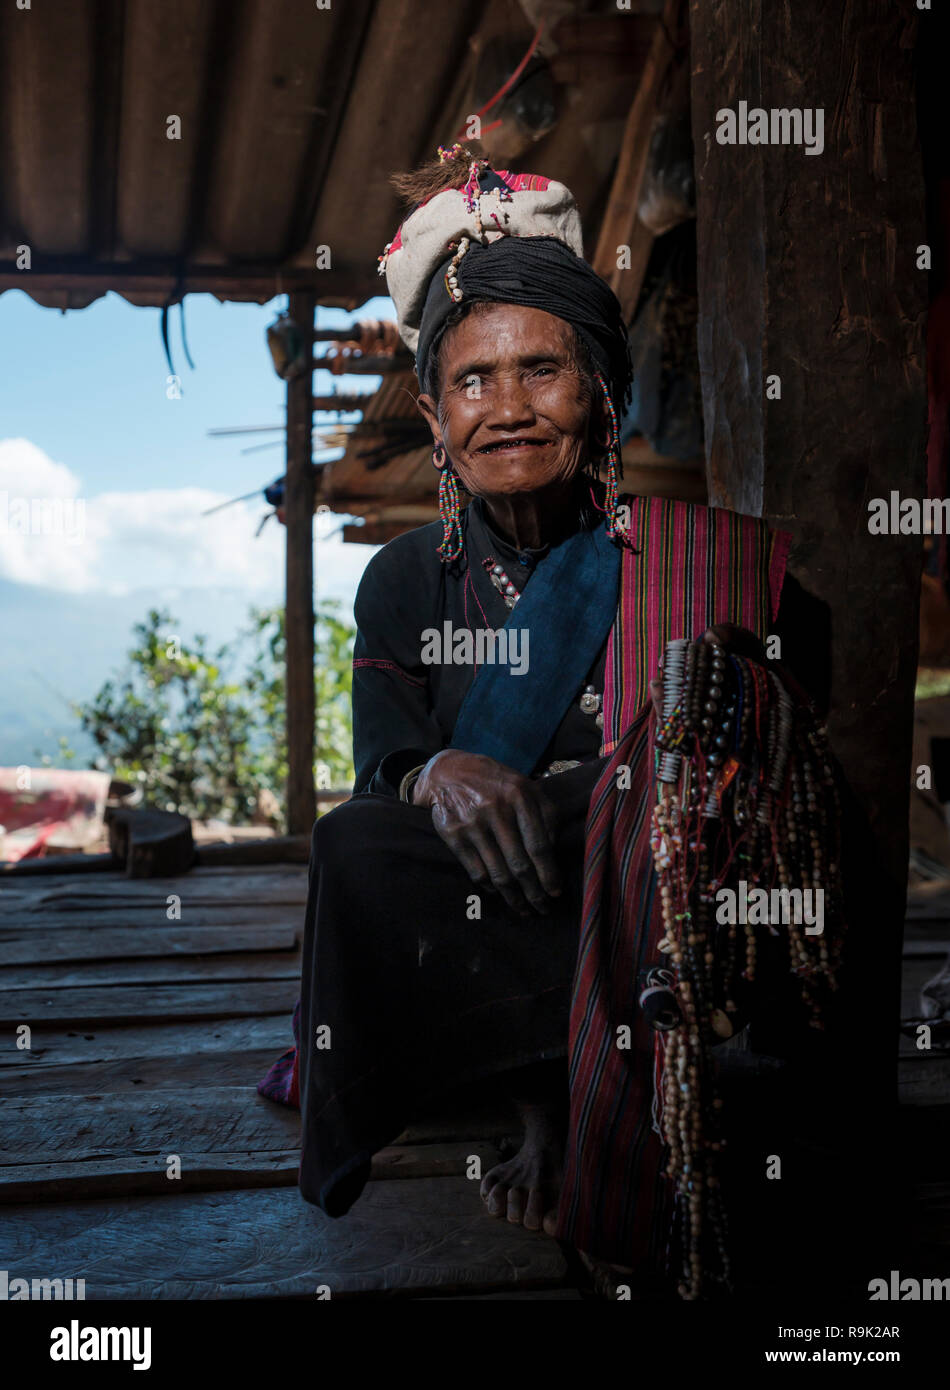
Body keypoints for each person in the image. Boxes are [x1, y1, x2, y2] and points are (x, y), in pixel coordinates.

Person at [260, 146, 830, 1293]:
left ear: (601, 392)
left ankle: (597, 1095)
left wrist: (652, 761)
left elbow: (787, 752)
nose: (507, 410)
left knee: (630, 802)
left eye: (541, 372)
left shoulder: (694, 562)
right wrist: (438, 781)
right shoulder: (406, 578)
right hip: (482, 884)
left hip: (640, 887)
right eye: (472, 382)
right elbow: (383, 754)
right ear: (432, 410)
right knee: (356, 845)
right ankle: (532, 1095)